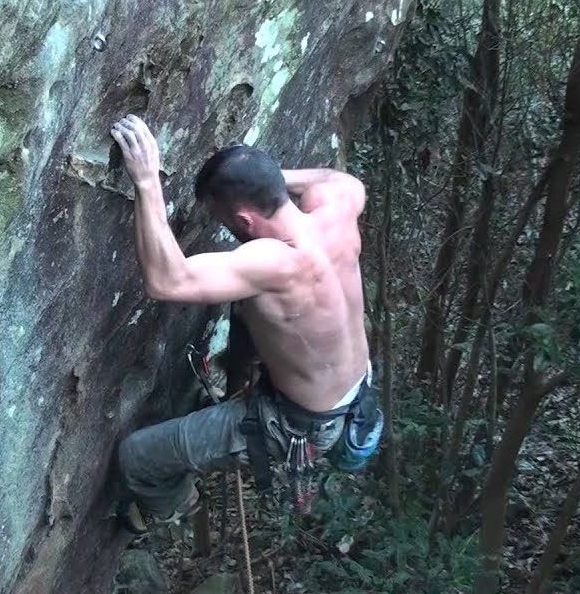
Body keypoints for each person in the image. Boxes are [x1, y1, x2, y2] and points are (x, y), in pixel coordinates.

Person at [108, 114, 380, 533]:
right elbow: (338, 178)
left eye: (222, 218)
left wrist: (146, 181)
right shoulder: (338, 205)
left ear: (245, 221)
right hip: (353, 390)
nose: (223, 226)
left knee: (137, 457)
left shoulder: (277, 263)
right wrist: (257, 177)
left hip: (297, 425)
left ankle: (171, 505)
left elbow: (167, 280)